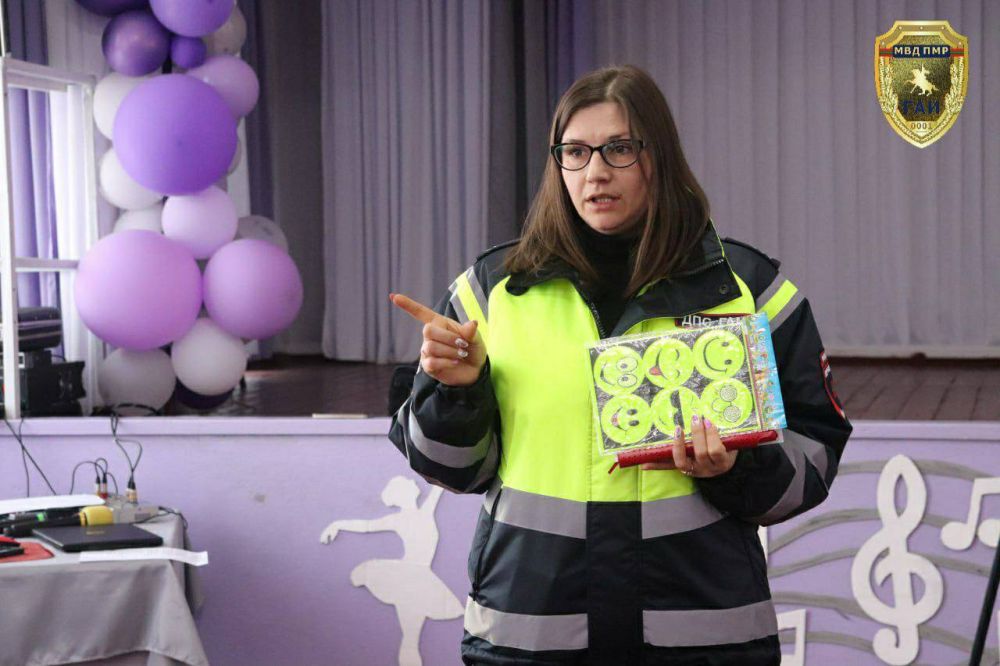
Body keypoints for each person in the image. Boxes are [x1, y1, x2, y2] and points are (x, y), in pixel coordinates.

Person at [388, 64, 852, 666]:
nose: (596, 171)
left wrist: (736, 467)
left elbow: (813, 458)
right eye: (575, 152)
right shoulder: (490, 293)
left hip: (701, 640)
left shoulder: (749, 291)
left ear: (659, 157)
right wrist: (456, 391)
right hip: (532, 635)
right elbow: (445, 468)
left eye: (619, 149)